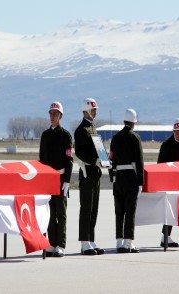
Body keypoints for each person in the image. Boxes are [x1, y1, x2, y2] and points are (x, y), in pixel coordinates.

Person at [39, 102, 73, 257]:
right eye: (51, 113)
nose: (52, 116)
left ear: (60, 116)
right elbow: (41, 158)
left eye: (55, 114)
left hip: (60, 178)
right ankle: (52, 243)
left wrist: (66, 180)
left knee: (61, 213)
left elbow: (69, 159)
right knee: (50, 213)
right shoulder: (45, 135)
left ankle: (61, 244)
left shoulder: (66, 135)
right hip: (47, 179)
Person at [109, 109, 144, 253]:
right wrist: (141, 182)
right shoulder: (135, 138)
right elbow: (140, 162)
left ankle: (119, 241)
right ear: (134, 122)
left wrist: (113, 177)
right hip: (131, 178)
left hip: (118, 178)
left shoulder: (115, 138)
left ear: (124, 121)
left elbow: (111, 159)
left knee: (119, 211)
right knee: (130, 211)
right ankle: (128, 242)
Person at [74, 97, 105, 255]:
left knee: (94, 209)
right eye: (93, 110)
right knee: (86, 208)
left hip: (95, 172)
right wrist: (95, 161)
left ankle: (91, 240)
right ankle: (84, 242)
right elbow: (79, 152)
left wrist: (104, 161)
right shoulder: (81, 130)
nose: (96, 112)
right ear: (86, 110)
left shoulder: (93, 128)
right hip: (87, 172)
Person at [157, 118, 179, 247]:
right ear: (173, 131)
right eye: (178, 131)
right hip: (169, 181)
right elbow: (160, 164)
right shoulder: (166, 144)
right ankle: (165, 236)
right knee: (170, 209)